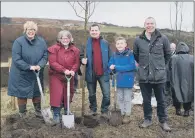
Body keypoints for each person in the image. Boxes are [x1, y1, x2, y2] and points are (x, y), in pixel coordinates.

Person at [133, 17, 171, 131]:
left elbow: (167, 54)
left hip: (159, 75)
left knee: (161, 100)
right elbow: (136, 55)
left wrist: (159, 66)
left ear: (155, 24)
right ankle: (147, 119)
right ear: (144, 25)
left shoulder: (163, 38)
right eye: (147, 23)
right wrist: (145, 66)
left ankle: (163, 121)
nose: (149, 25)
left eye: (152, 23)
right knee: (146, 100)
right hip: (144, 75)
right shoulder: (138, 40)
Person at [8, 21, 48, 118]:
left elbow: (45, 56)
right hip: (21, 74)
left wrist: (40, 65)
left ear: (35, 31)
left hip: (36, 73)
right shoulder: (19, 42)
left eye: (33, 29)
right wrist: (29, 67)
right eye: (29, 29)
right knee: (21, 94)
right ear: (25, 30)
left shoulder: (41, 41)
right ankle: (23, 114)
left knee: (36, 92)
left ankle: (38, 113)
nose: (31, 32)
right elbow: (16, 59)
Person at [48, 30, 80, 123]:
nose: (65, 40)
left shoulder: (75, 50)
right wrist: (64, 70)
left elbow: (76, 63)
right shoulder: (54, 49)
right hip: (56, 75)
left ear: (70, 39)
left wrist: (73, 71)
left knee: (69, 94)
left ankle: (67, 110)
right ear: (59, 39)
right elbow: (53, 62)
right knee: (57, 94)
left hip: (69, 76)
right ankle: (56, 114)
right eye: (63, 38)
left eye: (67, 38)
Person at [81, 24, 112, 117]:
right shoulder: (85, 44)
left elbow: (111, 57)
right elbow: (81, 55)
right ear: (90, 32)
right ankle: (93, 109)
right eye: (92, 30)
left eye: (96, 30)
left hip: (104, 72)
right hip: (90, 73)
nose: (94, 32)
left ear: (99, 31)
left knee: (106, 94)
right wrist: (82, 59)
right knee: (91, 94)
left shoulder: (105, 43)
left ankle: (104, 110)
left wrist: (111, 69)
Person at [108, 37, 136, 124]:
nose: (119, 45)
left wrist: (117, 67)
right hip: (117, 79)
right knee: (120, 98)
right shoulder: (114, 54)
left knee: (127, 98)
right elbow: (110, 65)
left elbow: (131, 66)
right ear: (115, 45)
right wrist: (111, 68)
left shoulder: (130, 54)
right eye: (118, 43)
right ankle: (121, 112)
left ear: (125, 45)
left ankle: (127, 114)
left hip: (127, 79)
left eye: (121, 43)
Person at [169, 42, 194, 117]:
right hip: (189, 81)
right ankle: (186, 111)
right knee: (188, 94)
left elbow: (169, 68)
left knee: (176, 93)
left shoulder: (173, 58)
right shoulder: (192, 58)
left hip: (176, 80)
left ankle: (178, 110)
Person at [165, 43, 176, 108]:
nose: (171, 49)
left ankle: (173, 103)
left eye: (173, 48)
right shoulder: (166, 54)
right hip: (166, 75)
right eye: (170, 47)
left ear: (175, 48)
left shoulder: (177, 55)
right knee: (166, 90)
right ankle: (167, 102)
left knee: (173, 90)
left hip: (173, 76)